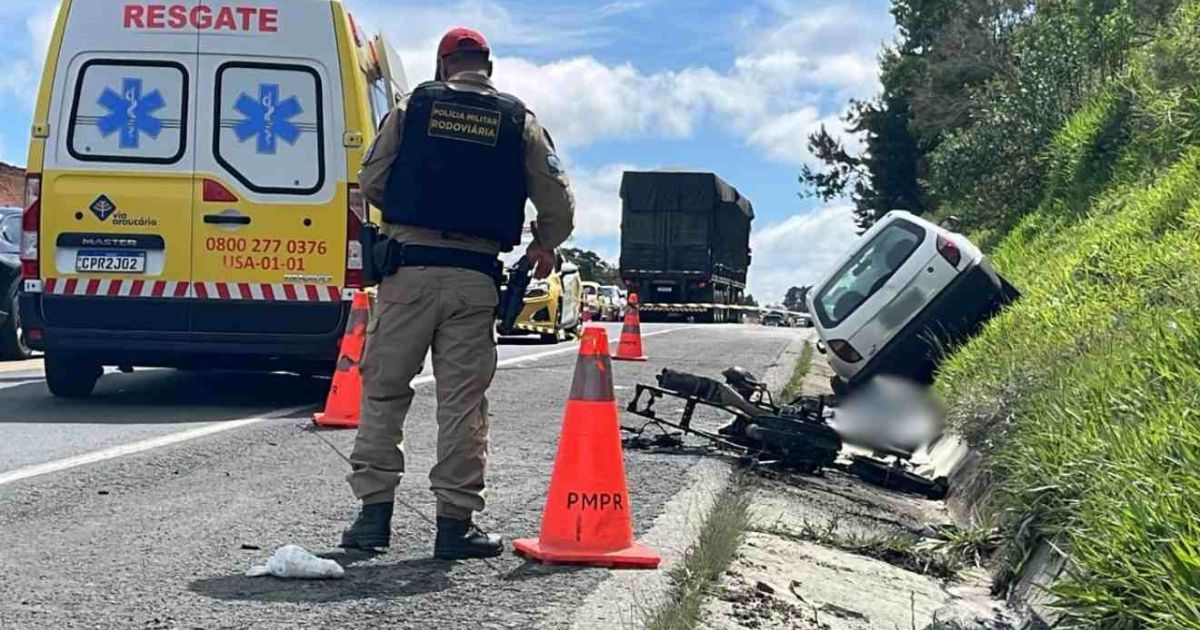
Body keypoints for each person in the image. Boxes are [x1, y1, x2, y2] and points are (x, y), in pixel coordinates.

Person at [340, 27, 575, 559]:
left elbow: (373, 178)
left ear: (445, 64)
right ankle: (454, 526)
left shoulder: (412, 107)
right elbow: (558, 204)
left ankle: (372, 520)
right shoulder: (520, 122)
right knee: (463, 402)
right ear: (486, 66)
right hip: (474, 280)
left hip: (407, 273)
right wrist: (544, 243)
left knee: (384, 392)